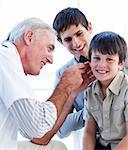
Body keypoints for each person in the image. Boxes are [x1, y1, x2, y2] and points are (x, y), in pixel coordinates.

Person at [0, 17, 93, 150]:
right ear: (29, 37)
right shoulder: (5, 58)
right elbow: (38, 129)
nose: (51, 60)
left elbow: (37, 136)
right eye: (49, 48)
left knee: (57, 147)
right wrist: (65, 87)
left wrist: (70, 91)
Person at [31, 7, 94, 149]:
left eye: (79, 33)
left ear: (89, 27)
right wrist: (91, 111)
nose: (76, 43)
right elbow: (61, 129)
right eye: (68, 39)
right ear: (60, 41)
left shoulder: (119, 58)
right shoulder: (63, 75)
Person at [83, 31, 128, 150]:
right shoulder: (89, 91)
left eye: (109, 59)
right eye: (97, 58)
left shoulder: (126, 88)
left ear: (121, 63)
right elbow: (89, 132)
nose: (101, 65)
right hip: (103, 145)